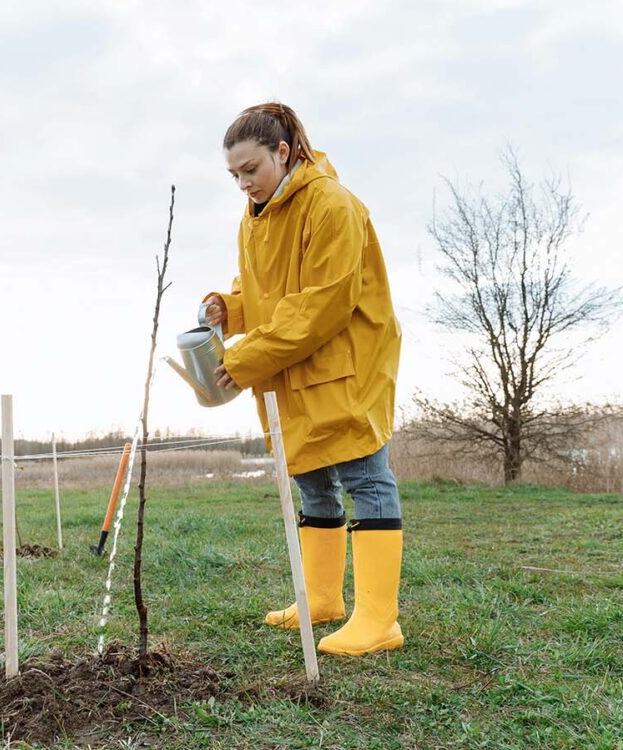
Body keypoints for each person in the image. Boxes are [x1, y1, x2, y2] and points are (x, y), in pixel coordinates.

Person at [202, 102, 404, 656]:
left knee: (365, 476)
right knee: (311, 478)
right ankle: (322, 600)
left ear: (283, 153)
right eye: (234, 175)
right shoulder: (256, 217)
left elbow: (321, 305)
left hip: (344, 362)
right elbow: (263, 292)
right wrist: (230, 308)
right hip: (290, 367)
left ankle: (379, 620)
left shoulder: (331, 205)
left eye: (251, 170)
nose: (243, 183)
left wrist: (243, 360)